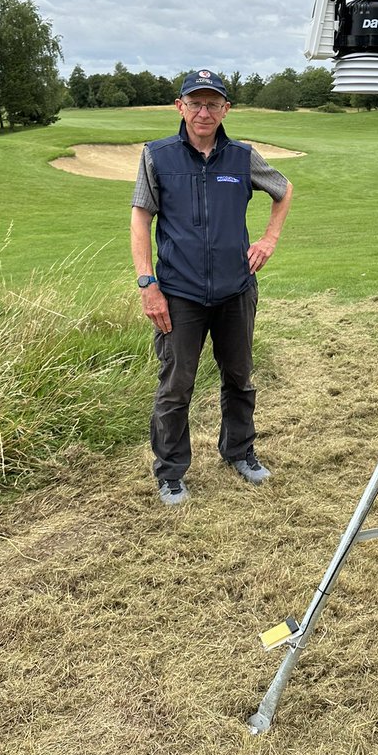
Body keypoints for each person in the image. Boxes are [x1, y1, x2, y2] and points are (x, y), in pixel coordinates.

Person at [130, 69, 293, 506]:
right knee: (176, 385)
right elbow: (141, 218)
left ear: (226, 110)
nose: (204, 112)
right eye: (195, 103)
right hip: (178, 294)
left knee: (239, 377)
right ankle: (170, 472)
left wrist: (269, 239)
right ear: (180, 107)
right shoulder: (157, 156)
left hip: (235, 290)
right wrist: (148, 282)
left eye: (213, 104)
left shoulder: (242, 157)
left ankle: (239, 451)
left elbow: (283, 189)